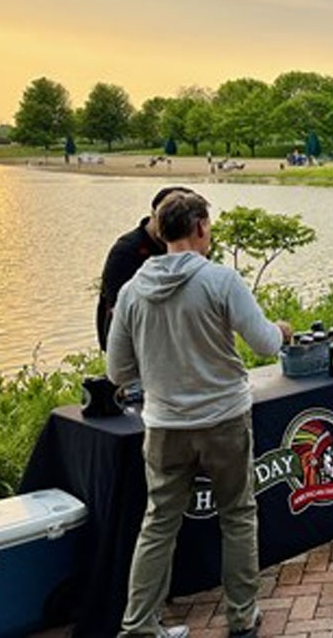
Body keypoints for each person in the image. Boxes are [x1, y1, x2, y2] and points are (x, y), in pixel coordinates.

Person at [108, 192, 289, 638]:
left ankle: (138, 626)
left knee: (158, 523)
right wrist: (283, 330)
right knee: (238, 515)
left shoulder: (132, 291)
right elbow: (266, 344)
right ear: (201, 228)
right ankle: (242, 618)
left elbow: (117, 370)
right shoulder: (221, 280)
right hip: (224, 418)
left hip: (165, 425)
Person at [96, 186, 193, 351]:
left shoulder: (188, 246)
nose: (176, 225)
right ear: (154, 215)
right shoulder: (126, 251)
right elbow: (116, 308)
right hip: (131, 345)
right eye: (169, 216)